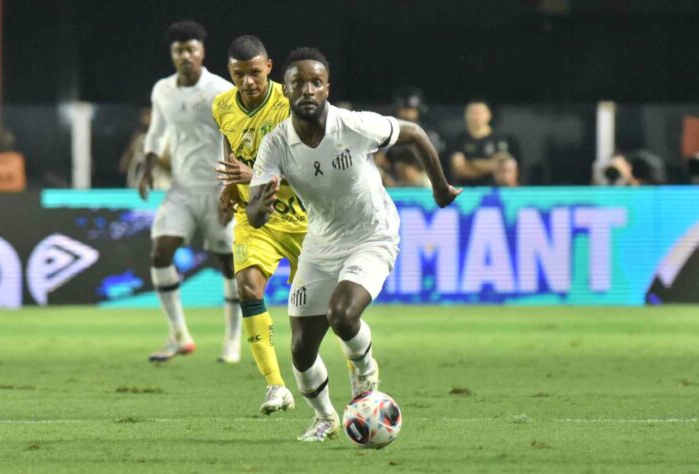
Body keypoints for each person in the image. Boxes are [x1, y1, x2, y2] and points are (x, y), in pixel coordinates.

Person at [247, 48, 461, 441]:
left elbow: (413, 133)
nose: (307, 90)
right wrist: (260, 206)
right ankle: (326, 417)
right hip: (321, 242)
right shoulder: (276, 144)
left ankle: (365, 377)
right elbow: (255, 217)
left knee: (342, 315)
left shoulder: (354, 125)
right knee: (300, 349)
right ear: (286, 90)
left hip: (372, 235)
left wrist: (441, 186)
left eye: (316, 82)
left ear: (327, 87)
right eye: (298, 83)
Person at [139, 20, 241, 363]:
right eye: (178, 50)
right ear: (173, 54)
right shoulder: (162, 90)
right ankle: (179, 335)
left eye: (191, 49)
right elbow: (156, 133)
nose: (185, 55)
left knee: (231, 264)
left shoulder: (221, 90)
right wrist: (147, 167)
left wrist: (231, 188)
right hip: (182, 189)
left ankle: (232, 341)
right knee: (160, 251)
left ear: (202, 52)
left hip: (217, 189)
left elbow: (234, 138)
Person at [212, 35, 301, 414]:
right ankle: (276, 387)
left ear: (269, 66)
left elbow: (312, 165)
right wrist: (232, 185)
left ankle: (361, 379)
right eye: (238, 74)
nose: (247, 82)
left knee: (319, 313)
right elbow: (230, 146)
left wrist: (257, 173)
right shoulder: (221, 106)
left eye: (253, 73)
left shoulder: (292, 103)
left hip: (304, 216)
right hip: (256, 217)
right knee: (248, 288)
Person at [448, 99, 516, 186]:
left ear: (489, 115)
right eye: (473, 113)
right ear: (466, 115)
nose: (476, 117)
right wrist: (490, 166)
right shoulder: (459, 140)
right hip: (466, 190)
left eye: (480, 113)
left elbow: (503, 168)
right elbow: (459, 170)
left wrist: (472, 163)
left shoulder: (501, 139)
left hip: (495, 191)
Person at [118, 107, 172, 189]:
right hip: (138, 192)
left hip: (163, 191)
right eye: (143, 115)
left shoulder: (170, 138)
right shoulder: (140, 139)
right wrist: (131, 146)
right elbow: (123, 167)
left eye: (148, 114)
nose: (145, 118)